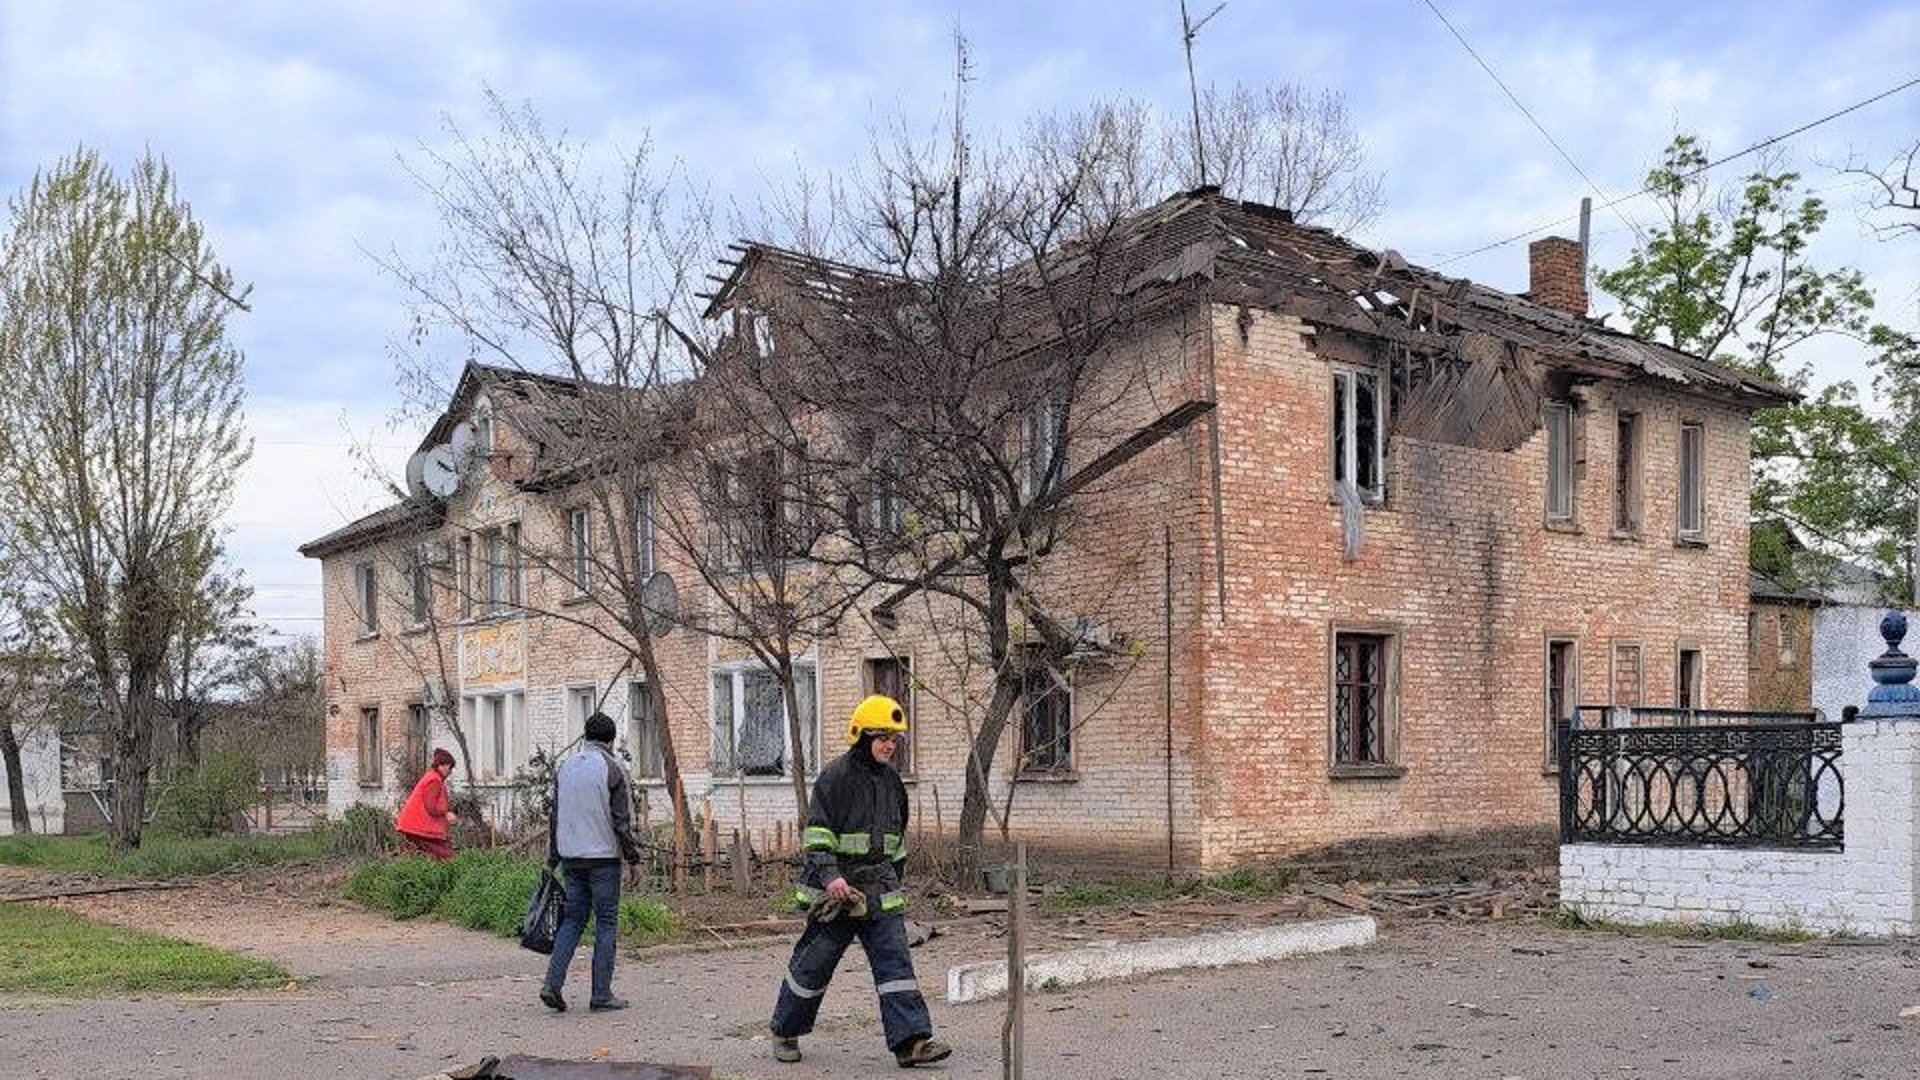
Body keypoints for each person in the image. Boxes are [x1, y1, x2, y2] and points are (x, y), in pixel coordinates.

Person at [769, 695, 952, 1068]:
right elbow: (817, 836)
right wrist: (832, 877)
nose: (889, 744)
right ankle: (785, 1031)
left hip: (879, 894)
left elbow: (895, 843)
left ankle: (911, 1043)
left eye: (894, 738)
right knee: (812, 967)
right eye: (882, 736)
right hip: (839, 893)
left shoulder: (892, 784)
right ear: (862, 736)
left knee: (896, 969)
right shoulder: (835, 778)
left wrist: (892, 884)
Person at [540, 711, 643, 1014]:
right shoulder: (612, 769)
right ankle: (601, 995)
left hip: (571, 857)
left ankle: (551, 984)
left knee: (572, 920)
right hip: (603, 859)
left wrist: (552, 859)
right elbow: (622, 822)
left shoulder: (566, 767)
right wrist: (634, 860)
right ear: (610, 741)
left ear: (586, 737)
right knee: (606, 923)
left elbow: (555, 816)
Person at [395, 748, 459, 860]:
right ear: (442, 766)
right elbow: (431, 807)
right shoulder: (434, 781)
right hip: (418, 827)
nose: (450, 772)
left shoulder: (432, 777)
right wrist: (446, 813)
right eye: (450, 767)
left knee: (437, 854)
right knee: (447, 856)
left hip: (415, 826)